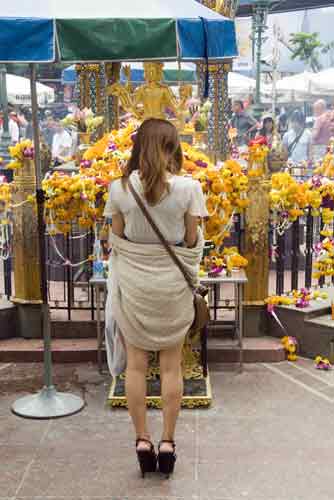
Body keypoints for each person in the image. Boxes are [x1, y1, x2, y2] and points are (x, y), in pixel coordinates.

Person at [104, 119, 207, 477]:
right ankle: (167, 442)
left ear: (138, 147)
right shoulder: (189, 188)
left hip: (135, 285)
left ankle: (142, 440)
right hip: (172, 287)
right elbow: (192, 242)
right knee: (170, 366)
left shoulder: (118, 188)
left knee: (135, 365)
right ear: (172, 147)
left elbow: (116, 241)